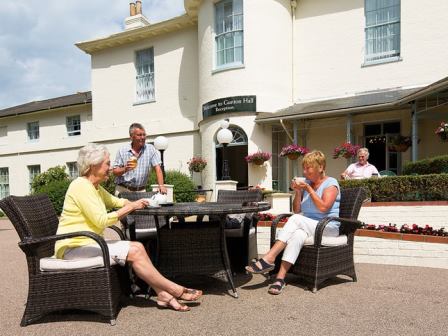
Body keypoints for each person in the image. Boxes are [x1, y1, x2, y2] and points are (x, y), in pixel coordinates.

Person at [54, 143, 201, 311]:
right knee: (136, 250)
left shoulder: (95, 187)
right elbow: (101, 220)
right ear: (93, 165)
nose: (111, 168)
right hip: (73, 248)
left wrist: (138, 203)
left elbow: (116, 201)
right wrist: (132, 207)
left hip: (89, 243)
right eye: (107, 163)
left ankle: (163, 294)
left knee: (137, 246)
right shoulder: (81, 186)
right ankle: (174, 289)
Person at [245, 150, 340, 295]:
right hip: (308, 226)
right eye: (304, 168)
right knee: (298, 235)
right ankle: (280, 278)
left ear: (320, 167)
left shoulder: (331, 183)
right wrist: (298, 191)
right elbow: (297, 210)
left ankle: (269, 258)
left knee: (296, 220)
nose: (305, 171)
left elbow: (323, 207)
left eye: (309, 167)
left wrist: (308, 188)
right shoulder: (307, 184)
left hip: (327, 227)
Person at [113, 123, 167, 195]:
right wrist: (125, 168)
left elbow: (158, 169)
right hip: (123, 190)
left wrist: (161, 185)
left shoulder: (150, 149)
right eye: (139, 135)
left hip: (141, 191)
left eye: (144, 135)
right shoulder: (122, 150)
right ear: (131, 137)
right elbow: (115, 171)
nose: (142, 137)